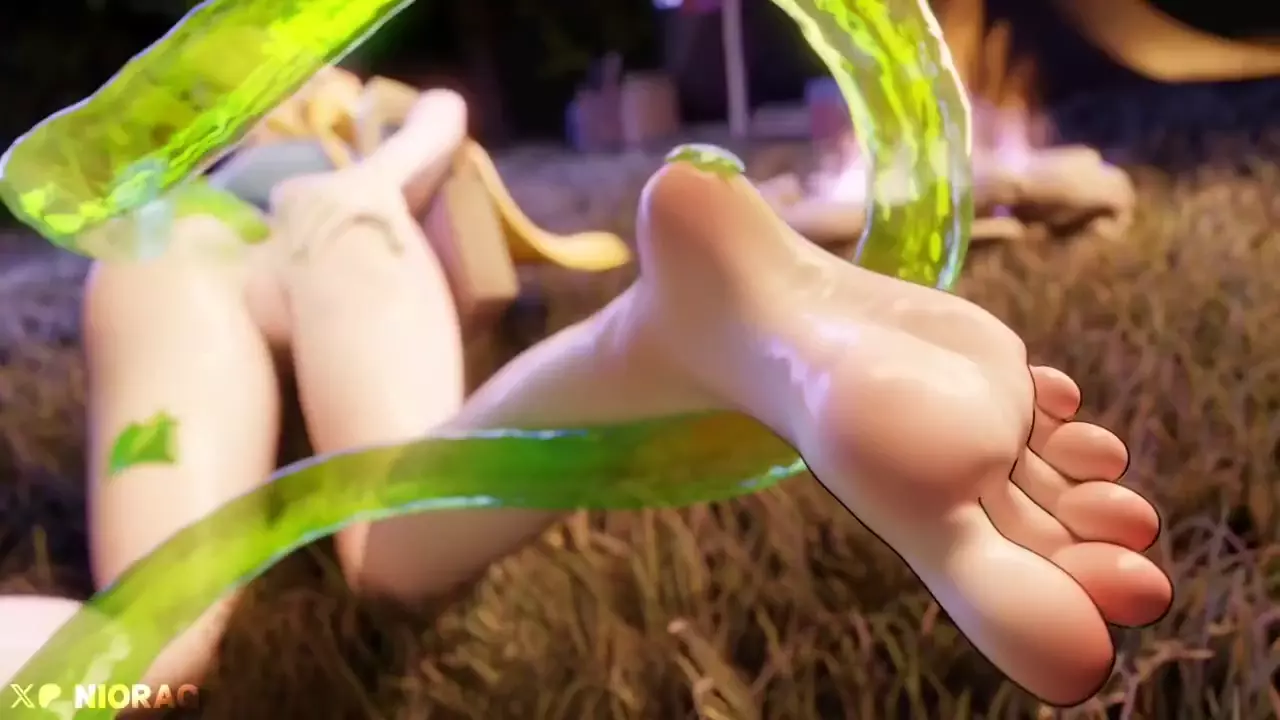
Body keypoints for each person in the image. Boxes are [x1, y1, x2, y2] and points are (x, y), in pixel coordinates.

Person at [1, 89, 1171, 708]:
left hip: (188, 251)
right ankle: (636, 350)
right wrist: (377, 177)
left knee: (152, 628)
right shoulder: (361, 123)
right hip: (336, 222)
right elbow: (442, 126)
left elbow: (432, 123)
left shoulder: (271, 132)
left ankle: (658, 341)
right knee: (391, 516)